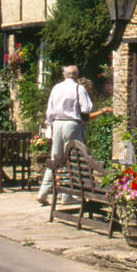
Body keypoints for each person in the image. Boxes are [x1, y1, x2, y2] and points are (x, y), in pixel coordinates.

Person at [36, 65, 94, 207]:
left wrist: (51, 125)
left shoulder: (56, 88)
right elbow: (87, 108)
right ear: (76, 76)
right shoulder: (78, 88)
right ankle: (67, 195)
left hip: (57, 124)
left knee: (55, 158)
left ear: (64, 75)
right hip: (71, 124)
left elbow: (49, 110)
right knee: (73, 158)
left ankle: (43, 193)